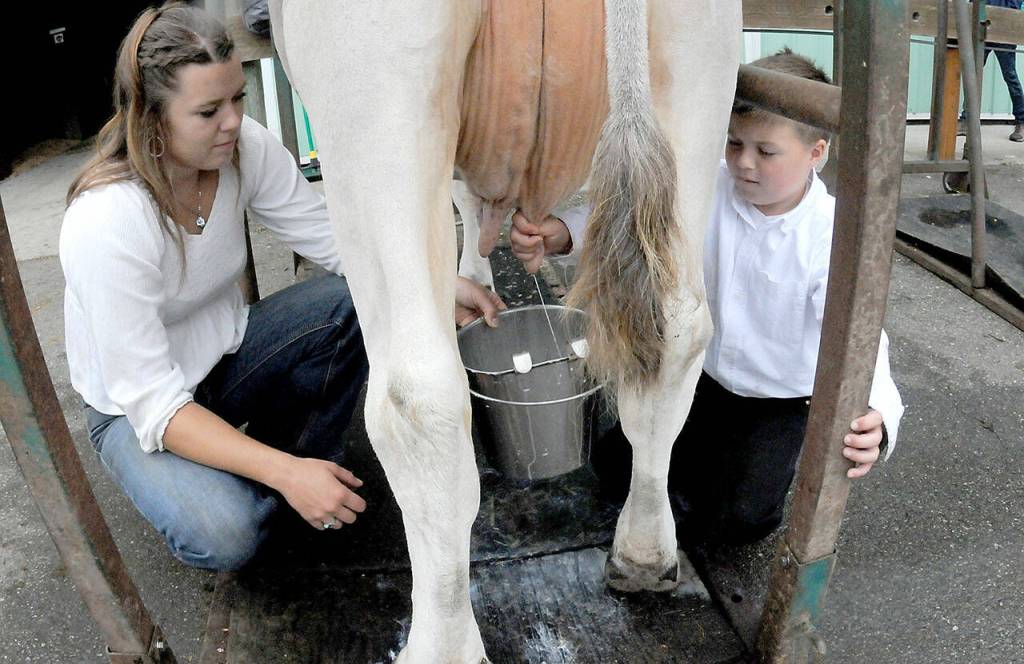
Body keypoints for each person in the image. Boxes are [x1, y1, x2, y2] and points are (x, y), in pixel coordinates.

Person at [59, 3, 505, 571]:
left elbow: (337, 244)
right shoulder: (106, 221)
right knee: (230, 534)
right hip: (134, 409)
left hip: (225, 356)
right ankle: (280, 481)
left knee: (351, 304)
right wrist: (283, 472)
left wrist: (438, 286)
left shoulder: (245, 147)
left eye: (237, 98)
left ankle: (295, 473)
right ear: (151, 119)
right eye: (207, 111)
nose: (232, 122)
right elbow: (155, 404)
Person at [510, 49, 905, 545]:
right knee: (613, 466)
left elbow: (862, 334)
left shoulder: (832, 234)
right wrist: (562, 233)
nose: (743, 162)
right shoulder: (708, 186)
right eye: (734, 142)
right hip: (701, 375)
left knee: (738, 521)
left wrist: (880, 413)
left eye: (766, 151)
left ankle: (736, 479)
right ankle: (695, 464)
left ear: (816, 152)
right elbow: (636, 214)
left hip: (778, 400)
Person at [958, 0, 1024, 142]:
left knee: (1010, 77)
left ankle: (1021, 122)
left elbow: (1015, 5)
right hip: (984, 27)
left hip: (1004, 31)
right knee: (972, 75)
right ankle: (966, 119)